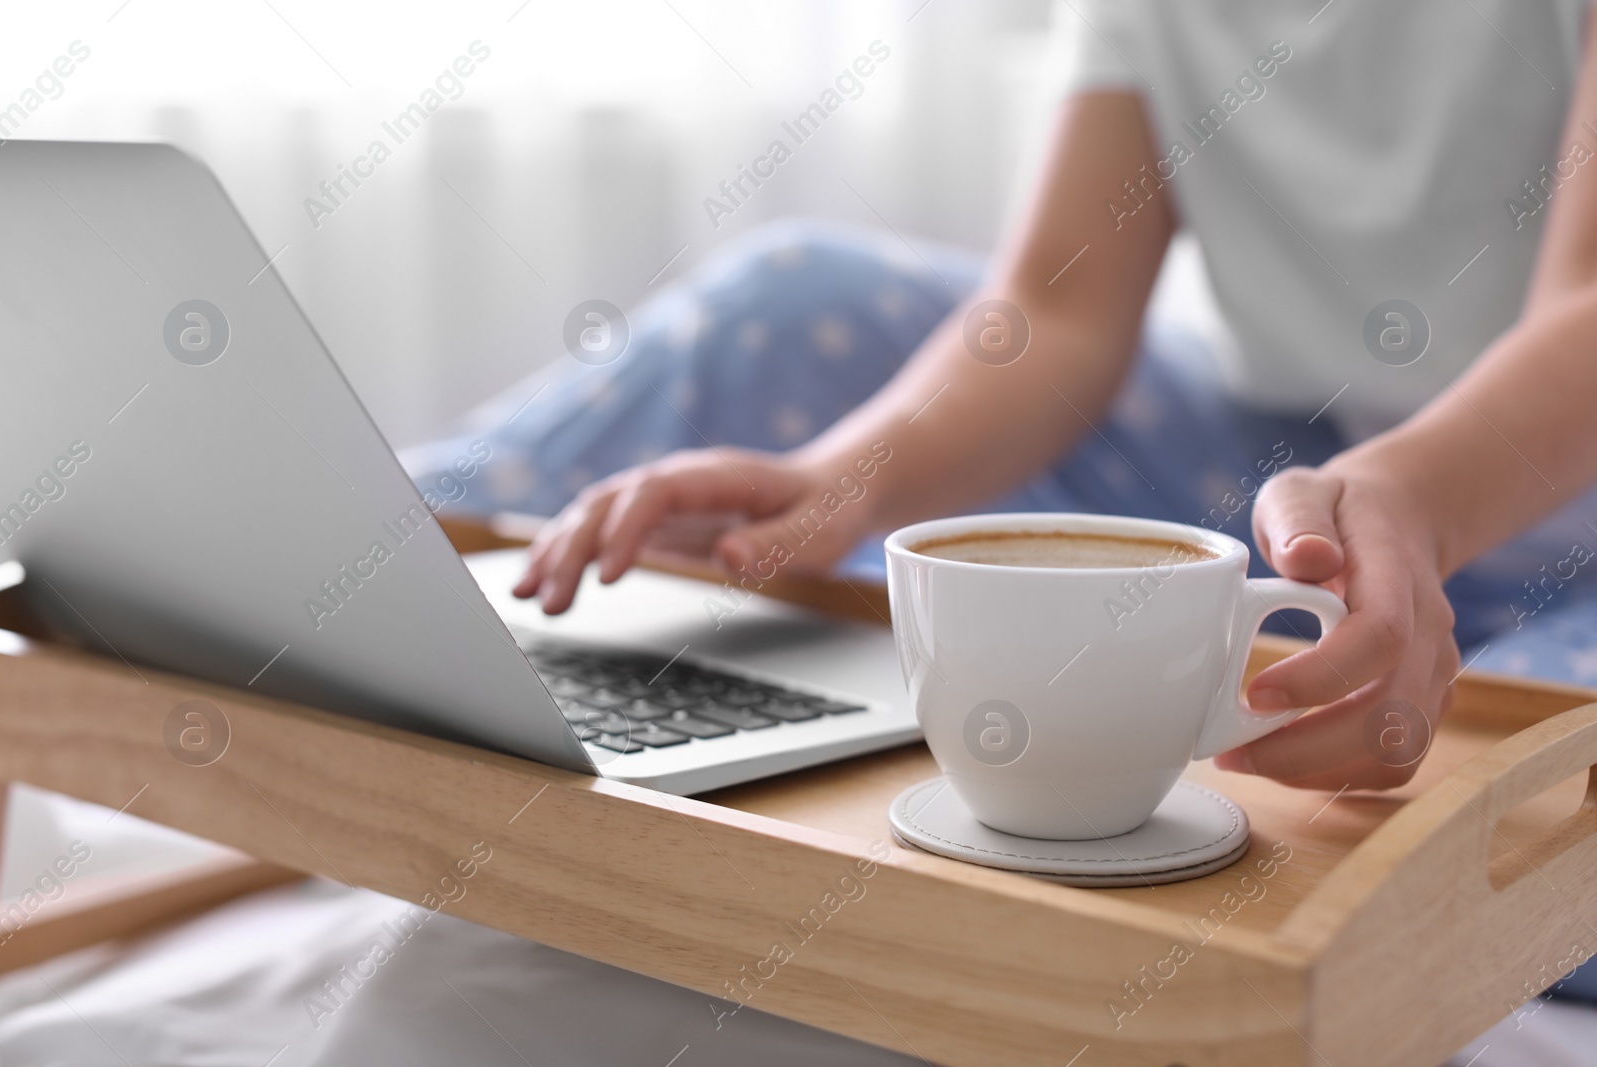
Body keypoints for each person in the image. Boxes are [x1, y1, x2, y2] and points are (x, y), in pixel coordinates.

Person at [403, 0, 1597, 1022]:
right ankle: (370, 547)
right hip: (1286, 461)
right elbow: (1059, 306)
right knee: (798, 292)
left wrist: (1411, 499)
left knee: (1534, 856)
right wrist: (844, 474)